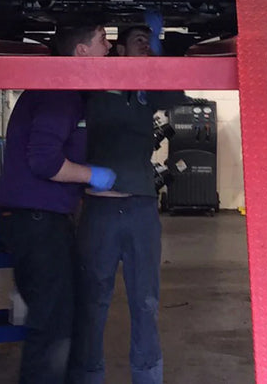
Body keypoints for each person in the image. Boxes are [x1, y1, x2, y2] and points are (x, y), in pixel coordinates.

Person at [0, 23, 116, 384]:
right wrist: (92, 175)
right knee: (52, 328)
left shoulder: (63, 90)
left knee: (55, 319)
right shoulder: (59, 92)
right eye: (103, 41)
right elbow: (45, 162)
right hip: (38, 224)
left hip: (39, 221)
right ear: (81, 52)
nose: (110, 48)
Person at [70, 24, 187, 384]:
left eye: (149, 41)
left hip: (141, 210)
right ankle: (89, 375)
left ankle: (148, 376)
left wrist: (159, 56)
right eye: (139, 41)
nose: (147, 46)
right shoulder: (92, 88)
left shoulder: (146, 91)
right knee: (93, 302)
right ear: (119, 50)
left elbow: (178, 96)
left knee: (146, 302)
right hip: (100, 212)